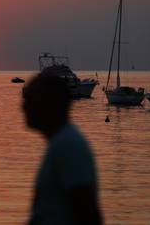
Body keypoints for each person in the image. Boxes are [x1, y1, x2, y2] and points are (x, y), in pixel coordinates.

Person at [23, 74, 103, 225]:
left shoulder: (68, 146)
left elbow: (88, 212)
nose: (23, 107)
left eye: (30, 99)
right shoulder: (59, 144)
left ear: (48, 103)